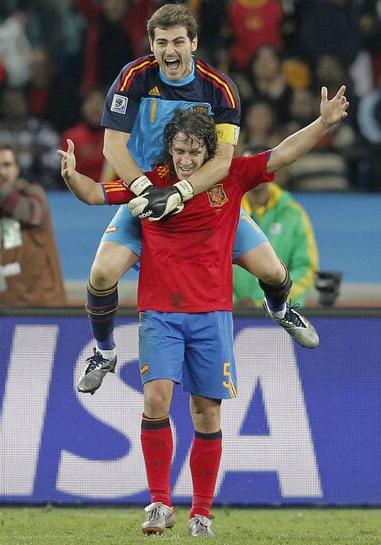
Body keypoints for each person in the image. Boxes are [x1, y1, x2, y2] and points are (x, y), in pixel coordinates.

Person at [58, 89, 349, 535]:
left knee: (206, 414)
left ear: (208, 152)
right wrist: (72, 175)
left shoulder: (228, 176)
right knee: (156, 401)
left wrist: (324, 123)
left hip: (212, 313)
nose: (187, 161)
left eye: (195, 152)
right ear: (169, 149)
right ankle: (158, 503)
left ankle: (201, 513)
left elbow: (282, 154)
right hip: (159, 312)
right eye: (180, 151)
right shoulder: (151, 182)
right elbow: (97, 193)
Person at [77, 3, 321, 395]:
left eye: (177, 42)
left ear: (194, 43)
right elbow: (113, 148)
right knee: (102, 274)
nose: (169, 51)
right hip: (146, 194)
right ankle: (104, 352)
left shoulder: (219, 88)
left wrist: (179, 193)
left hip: (209, 202)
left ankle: (279, 308)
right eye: (161, 43)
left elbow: (223, 160)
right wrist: (147, 191)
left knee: (274, 273)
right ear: (151, 45)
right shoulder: (134, 77)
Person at [0, 143, 67, 307]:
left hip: (42, 312)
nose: (0, 171)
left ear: (17, 168)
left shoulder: (32, 193)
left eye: (7, 165)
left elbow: (31, 214)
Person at [233, 146, 319, 308]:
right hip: (230, 311)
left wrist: (269, 301)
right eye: (248, 166)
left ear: (270, 169)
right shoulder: (226, 212)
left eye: (257, 167)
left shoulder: (294, 214)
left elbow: (306, 269)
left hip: (277, 313)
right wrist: (232, 301)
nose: (253, 172)